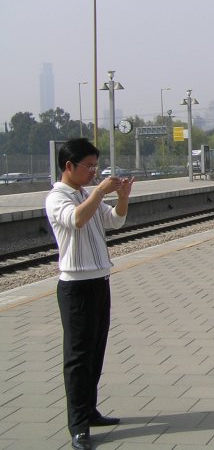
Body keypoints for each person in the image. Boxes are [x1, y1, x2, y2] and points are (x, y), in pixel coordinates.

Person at [45, 138, 134, 450]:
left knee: (95, 352)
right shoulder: (58, 197)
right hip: (76, 287)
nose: (94, 172)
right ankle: (78, 425)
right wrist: (99, 192)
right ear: (69, 166)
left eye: (96, 166)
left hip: (99, 280)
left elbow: (115, 220)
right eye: (89, 166)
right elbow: (76, 220)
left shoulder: (85, 194)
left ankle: (90, 410)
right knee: (78, 358)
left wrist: (122, 198)